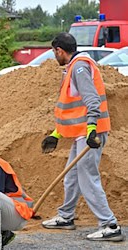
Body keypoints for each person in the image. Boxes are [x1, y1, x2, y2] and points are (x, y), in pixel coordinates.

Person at [41, 32, 125, 242]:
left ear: (60, 50)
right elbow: (72, 109)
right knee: (71, 176)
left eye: (54, 52)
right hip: (82, 133)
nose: (54, 56)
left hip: (90, 134)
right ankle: (66, 216)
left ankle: (109, 225)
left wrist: (92, 129)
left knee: (88, 177)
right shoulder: (74, 67)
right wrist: (56, 133)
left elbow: (91, 100)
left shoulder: (79, 67)